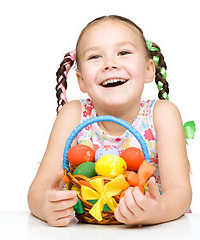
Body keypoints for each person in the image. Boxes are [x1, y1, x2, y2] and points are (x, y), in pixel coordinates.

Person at [28, 15, 192, 227]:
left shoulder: (162, 114)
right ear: (81, 81)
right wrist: (45, 206)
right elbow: (37, 190)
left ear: (149, 70)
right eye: (95, 56)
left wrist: (157, 211)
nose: (110, 64)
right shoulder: (73, 114)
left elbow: (180, 191)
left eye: (123, 52)